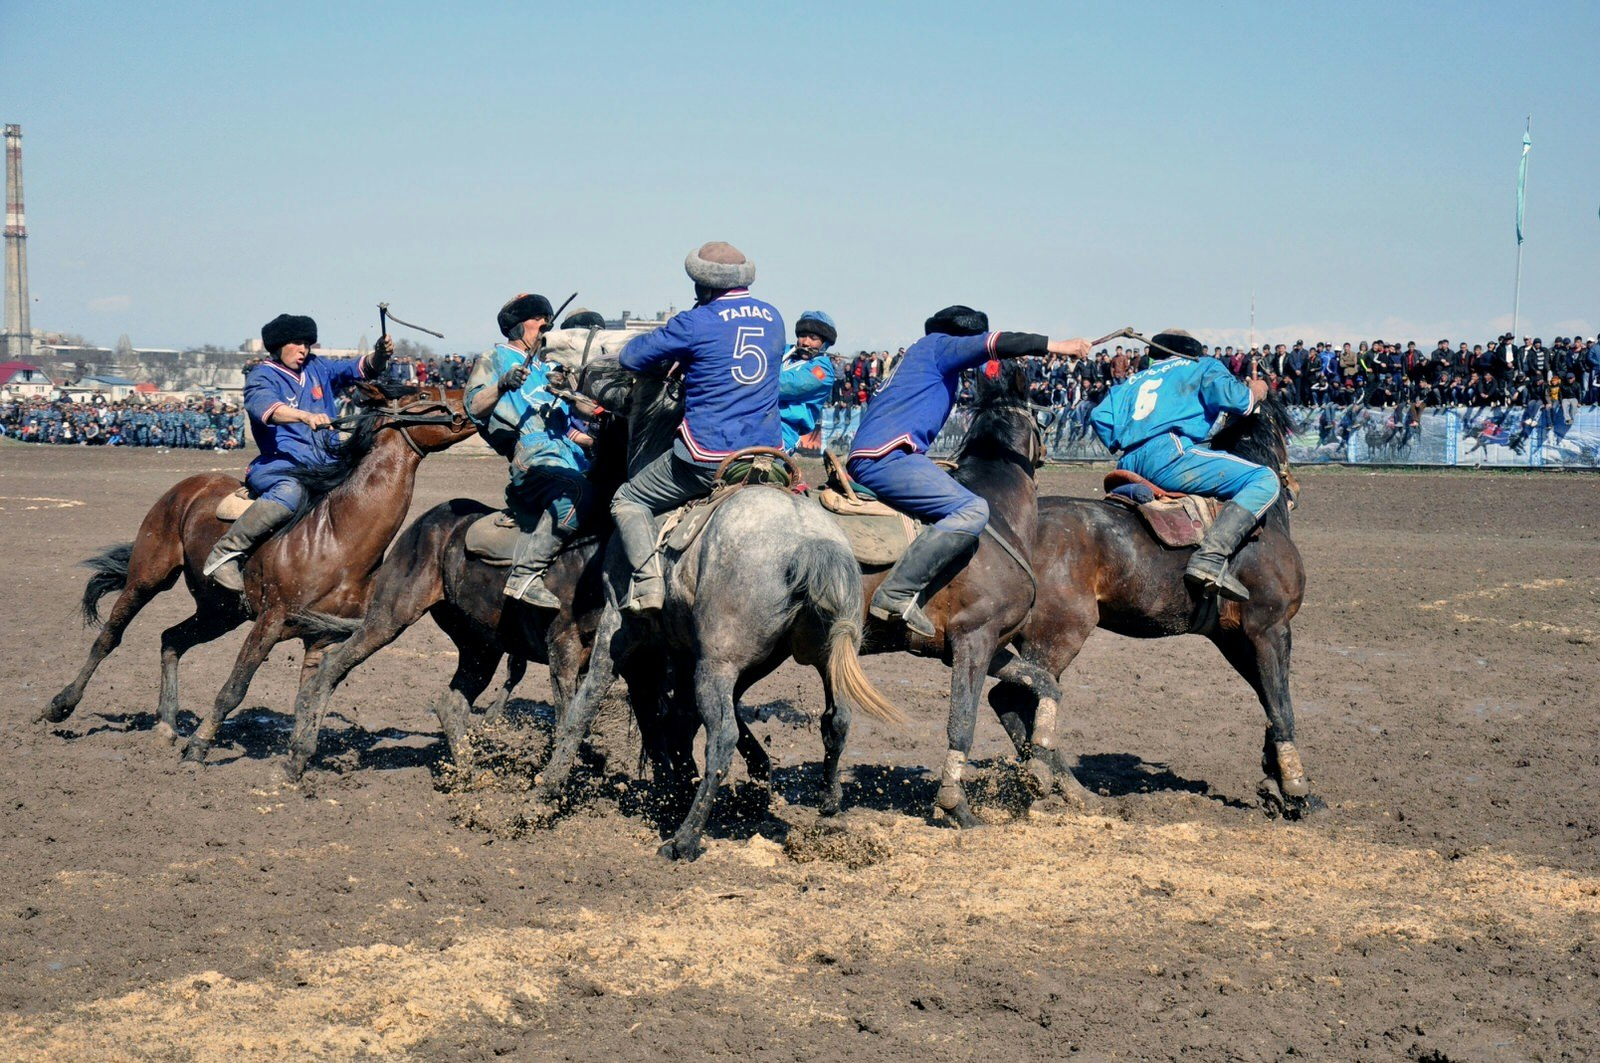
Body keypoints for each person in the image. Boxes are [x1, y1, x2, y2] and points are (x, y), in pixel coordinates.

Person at [846, 305, 1091, 636]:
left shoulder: (922, 357)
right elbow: (1002, 342)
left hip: (880, 455)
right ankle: (896, 593)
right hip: (888, 458)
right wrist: (1060, 346)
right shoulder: (942, 346)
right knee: (972, 509)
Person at [611, 241, 785, 613]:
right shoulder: (774, 317)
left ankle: (647, 583)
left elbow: (631, 357)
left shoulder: (695, 321)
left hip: (710, 457)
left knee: (627, 498)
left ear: (701, 285)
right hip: (768, 457)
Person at [202, 314, 393, 591]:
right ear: (278, 345)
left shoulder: (318, 367)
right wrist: (304, 416)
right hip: (279, 466)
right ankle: (224, 554)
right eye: (297, 343)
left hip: (326, 463)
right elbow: (268, 410)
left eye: (308, 344)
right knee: (290, 493)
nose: (305, 350)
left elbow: (360, 368)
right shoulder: (261, 376)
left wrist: (379, 354)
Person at [1090, 328, 1275, 602]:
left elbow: (1099, 417)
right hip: (1171, 454)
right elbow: (1241, 403)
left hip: (1128, 461)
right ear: (1192, 351)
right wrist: (1258, 390)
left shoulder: (1129, 383)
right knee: (1265, 479)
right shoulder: (1201, 366)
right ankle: (1211, 557)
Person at [464, 293, 603, 608]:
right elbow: (474, 406)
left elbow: (587, 411)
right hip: (533, 454)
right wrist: (502, 385)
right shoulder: (495, 358)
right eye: (538, 320)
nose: (545, 327)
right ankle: (524, 576)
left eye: (547, 321)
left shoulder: (552, 365)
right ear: (516, 328)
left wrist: (569, 395)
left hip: (570, 453)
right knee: (578, 492)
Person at [778, 310, 838, 453]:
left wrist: (753, 380)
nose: (806, 342)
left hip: (784, 430)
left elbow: (784, 385)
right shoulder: (784, 351)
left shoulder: (822, 371)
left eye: (813, 338)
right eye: (802, 336)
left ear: (825, 343)